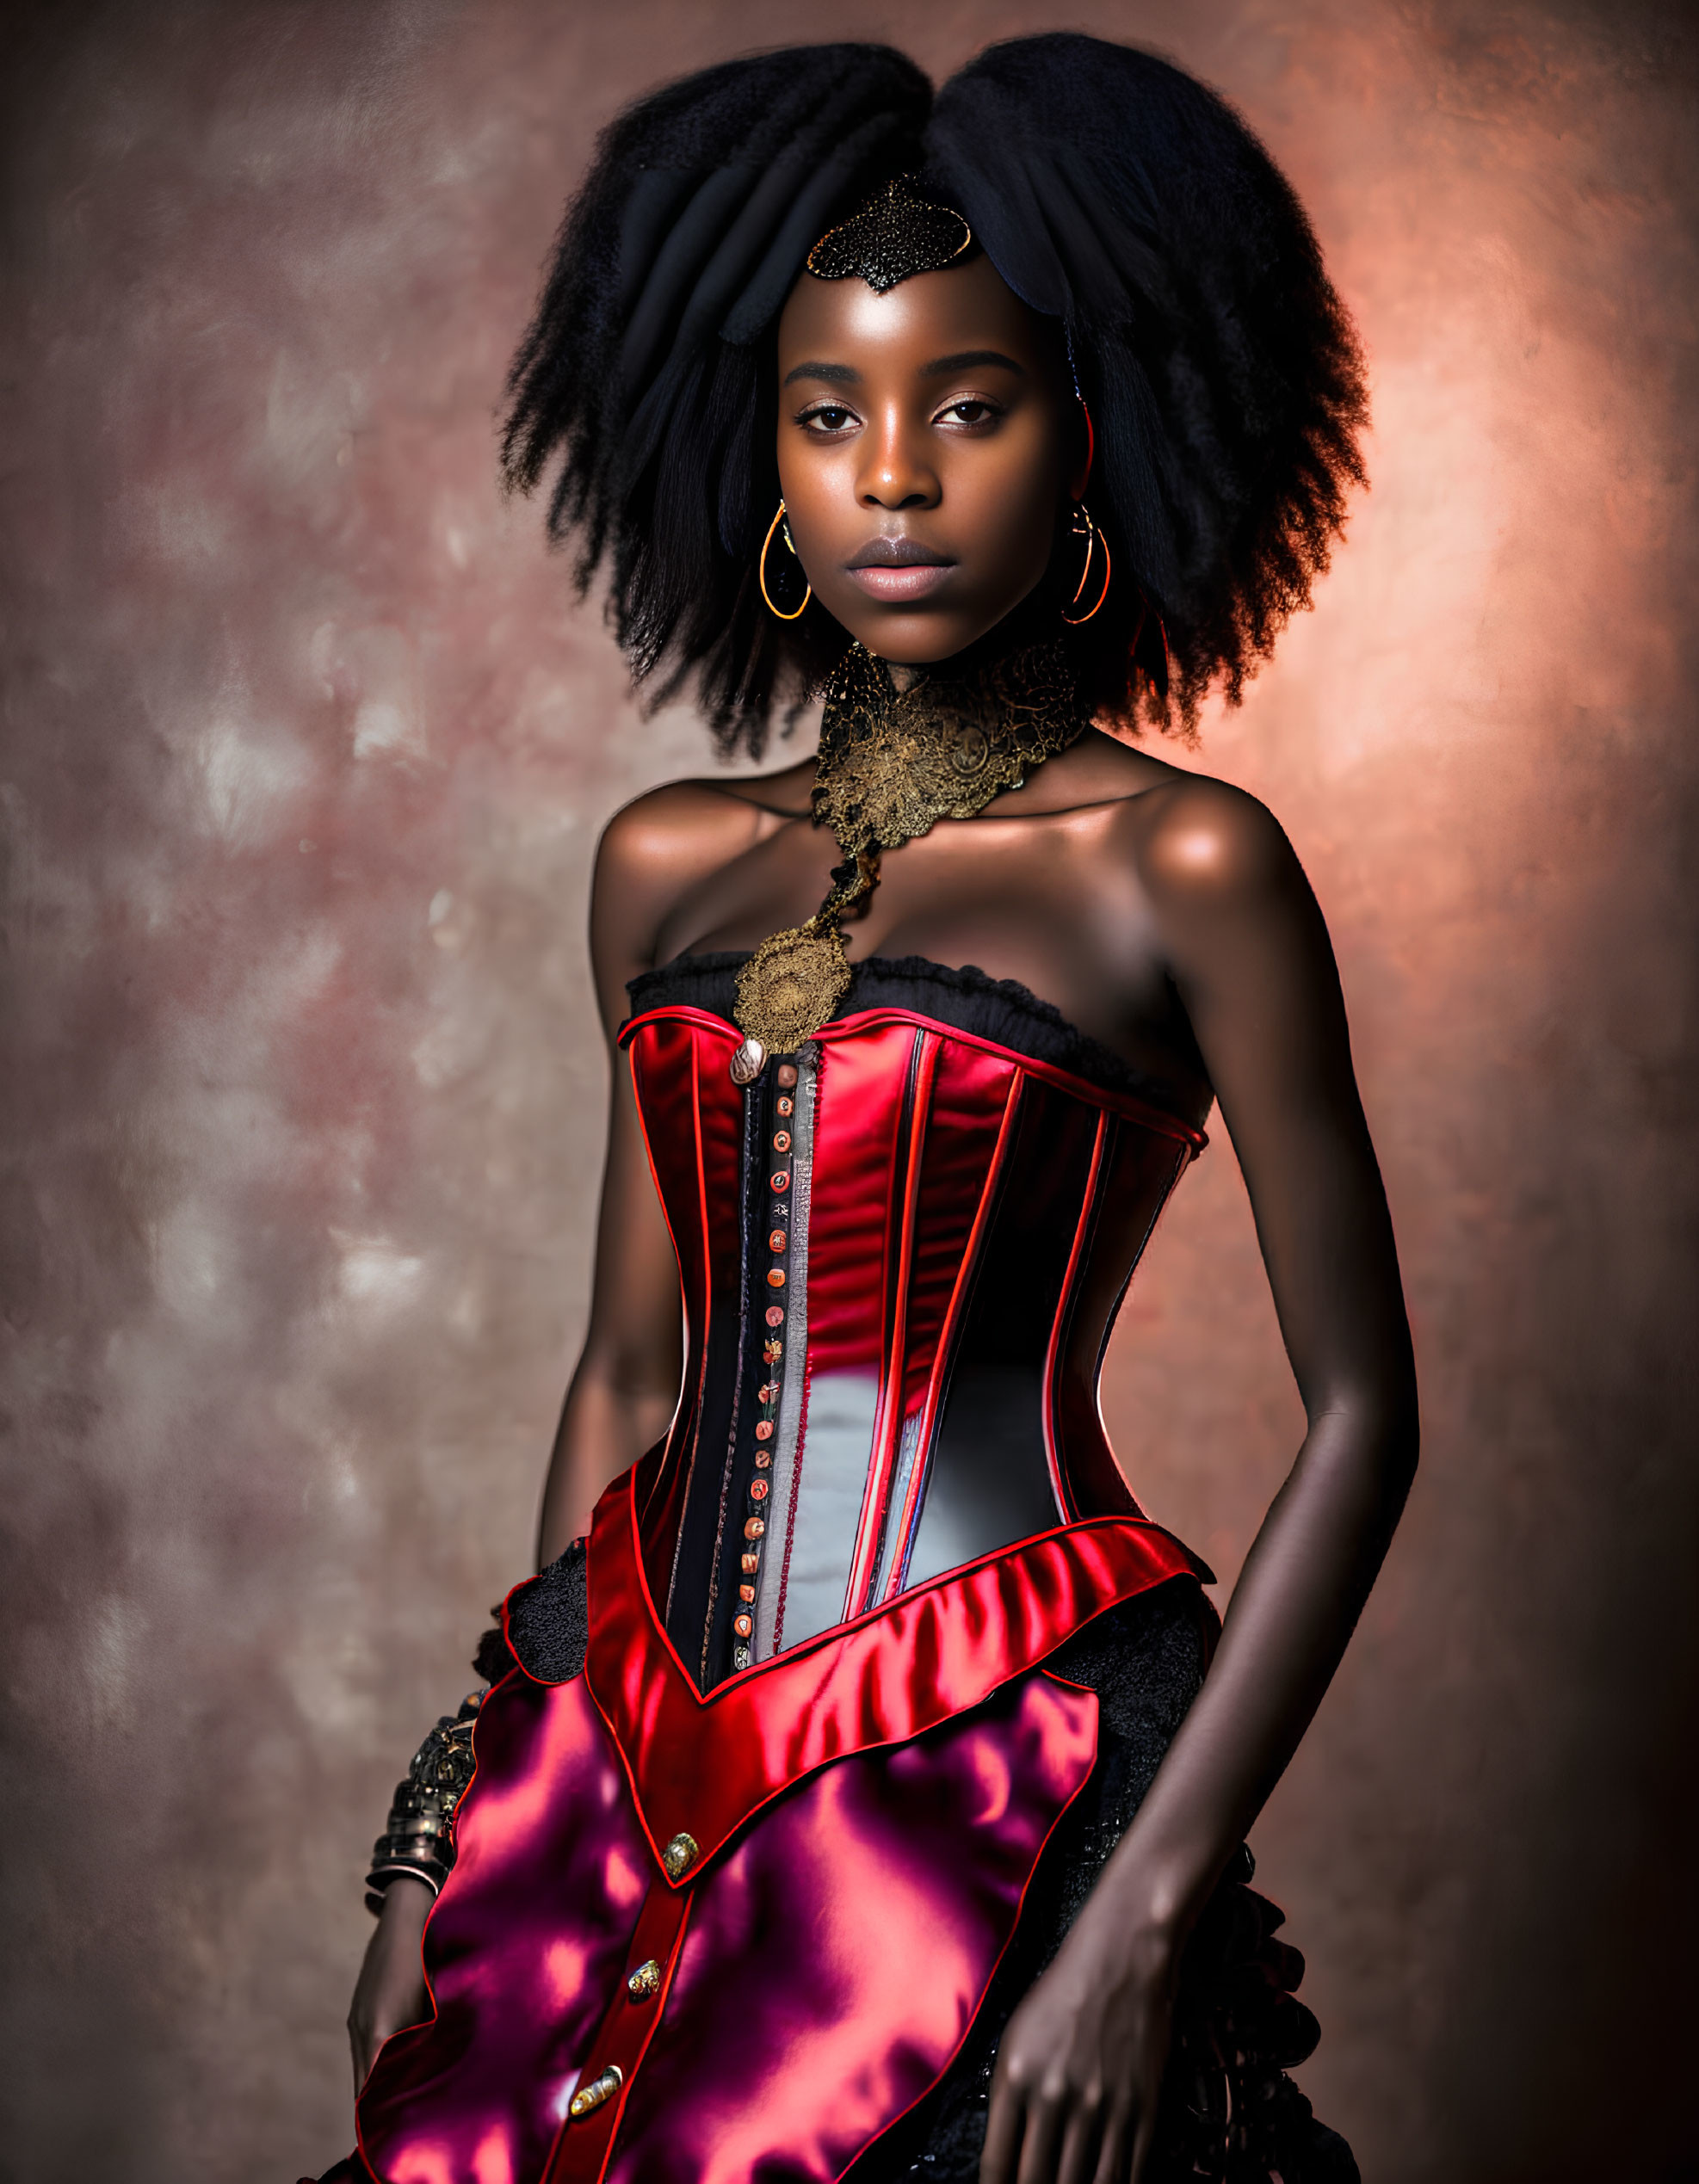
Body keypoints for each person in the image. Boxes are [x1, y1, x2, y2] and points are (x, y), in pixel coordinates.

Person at [314, 33, 1416, 2184]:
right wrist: (459, 1822)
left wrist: (1151, 1906)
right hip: (618, 1749)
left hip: (1016, 1754)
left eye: (968, 407)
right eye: (831, 416)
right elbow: (635, 1365)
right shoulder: (661, 862)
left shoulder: (1182, 866)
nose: (893, 476)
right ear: (767, 462)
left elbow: (1366, 1409)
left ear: (1088, 437)